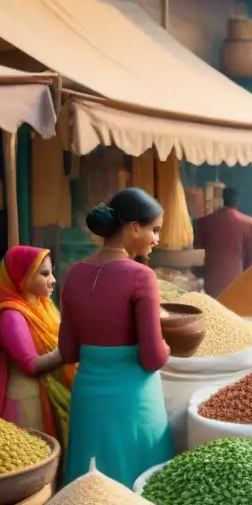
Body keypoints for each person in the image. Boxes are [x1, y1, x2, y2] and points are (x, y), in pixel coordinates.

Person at [58, 188, 173, 487]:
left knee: (90, 495)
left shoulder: (73, 274)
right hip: (133, 404)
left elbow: (68, 351)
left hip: (88, 402)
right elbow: (151, 358)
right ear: (134, 227)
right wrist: (167, 346)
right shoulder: (140, 276)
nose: (157, 239)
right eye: (155, 229)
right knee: (139, 493)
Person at [0, 247, 74, 444]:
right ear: (23, 276)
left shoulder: (42, 305)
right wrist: (70, 348)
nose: (53, 280)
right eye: (44, 273)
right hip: (27, 401)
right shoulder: (11, 315)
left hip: (44, 395)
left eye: (52, 272)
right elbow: (31, 365)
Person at [193, 187, 252, 298]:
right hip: (236, 285)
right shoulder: (248, 223)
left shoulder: (203, 222)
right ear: (238, 200)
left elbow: (196, 249)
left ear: (223, 199)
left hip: (211, 285)